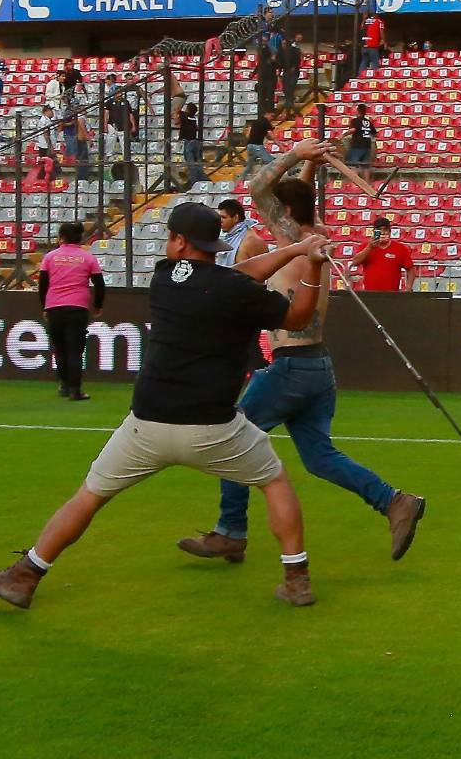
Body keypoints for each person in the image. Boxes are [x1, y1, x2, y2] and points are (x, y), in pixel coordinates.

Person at [0, 204, 334, 611]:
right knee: (275, 482)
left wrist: (298, 249)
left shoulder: (164, 277)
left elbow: (234, 278)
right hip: (214, 428)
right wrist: (310, 263)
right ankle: (296, 579)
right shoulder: (239, 292)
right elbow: (298, 316)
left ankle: (25, 576)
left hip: (147, 423)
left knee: (88, 496)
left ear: (180, 242)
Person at [178, 141, 424, 566]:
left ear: (284, 214)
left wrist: (295, 153)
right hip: (318, 367)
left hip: (290, 367)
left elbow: (256, 187)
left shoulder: (290, 236)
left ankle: (230, 532)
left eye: (275, 212)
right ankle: (395, 501)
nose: (266, 218)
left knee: (229, 437)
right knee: (320, 457)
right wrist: (308, 168)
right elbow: (294, 202)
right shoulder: (318, 234)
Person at [39, 222, 104, 402]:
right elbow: (99, 284)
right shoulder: (88, 258)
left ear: (61, 237)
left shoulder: (50, 257)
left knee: (60, 349)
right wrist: (97, 305)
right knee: (75, 350)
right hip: (77, 307)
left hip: (54, 307)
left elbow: (43, 284)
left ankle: (64, 385)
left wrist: (44, 305)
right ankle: (76, 390)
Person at [352, 217, 414, 293]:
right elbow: (355, 262)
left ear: (389, 231)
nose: (382, 232)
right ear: (374, 231)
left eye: (385, 229)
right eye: (379, 230)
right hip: (369, 294)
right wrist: (369, 247)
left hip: (392, 294)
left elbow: (410, 268)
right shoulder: (366, 246)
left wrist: (408, 287)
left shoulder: (400, 248)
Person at [214, 198, 267, 268]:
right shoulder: (230, 237)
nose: (219, 221)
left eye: (223, 217)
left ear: (236, 218)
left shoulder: (251, 240)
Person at [240, 110, 283, 180]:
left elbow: (248, 135)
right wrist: (281, 146)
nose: (272, 118)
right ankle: (274, 178)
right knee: (272, 161)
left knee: (249, 166)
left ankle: (240, 182)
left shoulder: (255, 122)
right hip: (257, 146)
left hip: (249, 146)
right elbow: (272, 137)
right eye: (272, 116)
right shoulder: (266, 122)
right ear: (267, 114)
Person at [344, 103, 377, 183]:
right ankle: (367, 184)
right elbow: (374, 133)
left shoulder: (355, 120)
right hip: (367, 146)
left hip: (357, 146)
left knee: (353, 165)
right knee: (366, 166)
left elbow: (353, 130)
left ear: (358, 111)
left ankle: (355, 184)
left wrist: (343, 135)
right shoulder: (368, 122)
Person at [179, 101, 204, 190]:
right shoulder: (193, 119)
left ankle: (194, 183)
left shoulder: (184, 117)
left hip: (188, 143)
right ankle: (202, 181)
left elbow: (176, 117)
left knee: (191, 165)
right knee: (198, 164)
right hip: (195, 142)